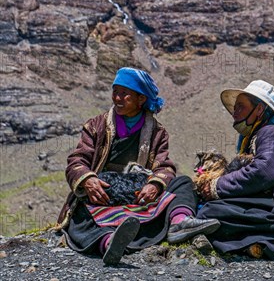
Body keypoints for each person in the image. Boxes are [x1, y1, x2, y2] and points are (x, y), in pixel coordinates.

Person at [56, 67, 219, 266]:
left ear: (141, 99)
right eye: (115, 91)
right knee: (80, 214)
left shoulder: (157, 132)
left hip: (137, 196)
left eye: (124, 93)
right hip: (103, 194)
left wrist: (154, 185)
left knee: (183, 183)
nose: (117, 98)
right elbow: (77, 160)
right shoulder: (96, 126)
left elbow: (164, 166)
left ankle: (179, 223)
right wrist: (89, 180)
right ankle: (110, 243)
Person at [196, 80, 274, 261]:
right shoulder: (254, 138)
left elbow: (264, 172)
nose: (235, 112)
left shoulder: (272, 133)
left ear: (259, 110)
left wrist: (217, 186)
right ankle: (264, 243)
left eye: (241, 107)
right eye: (235, 107)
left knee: (210, 212)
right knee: (207, 212)